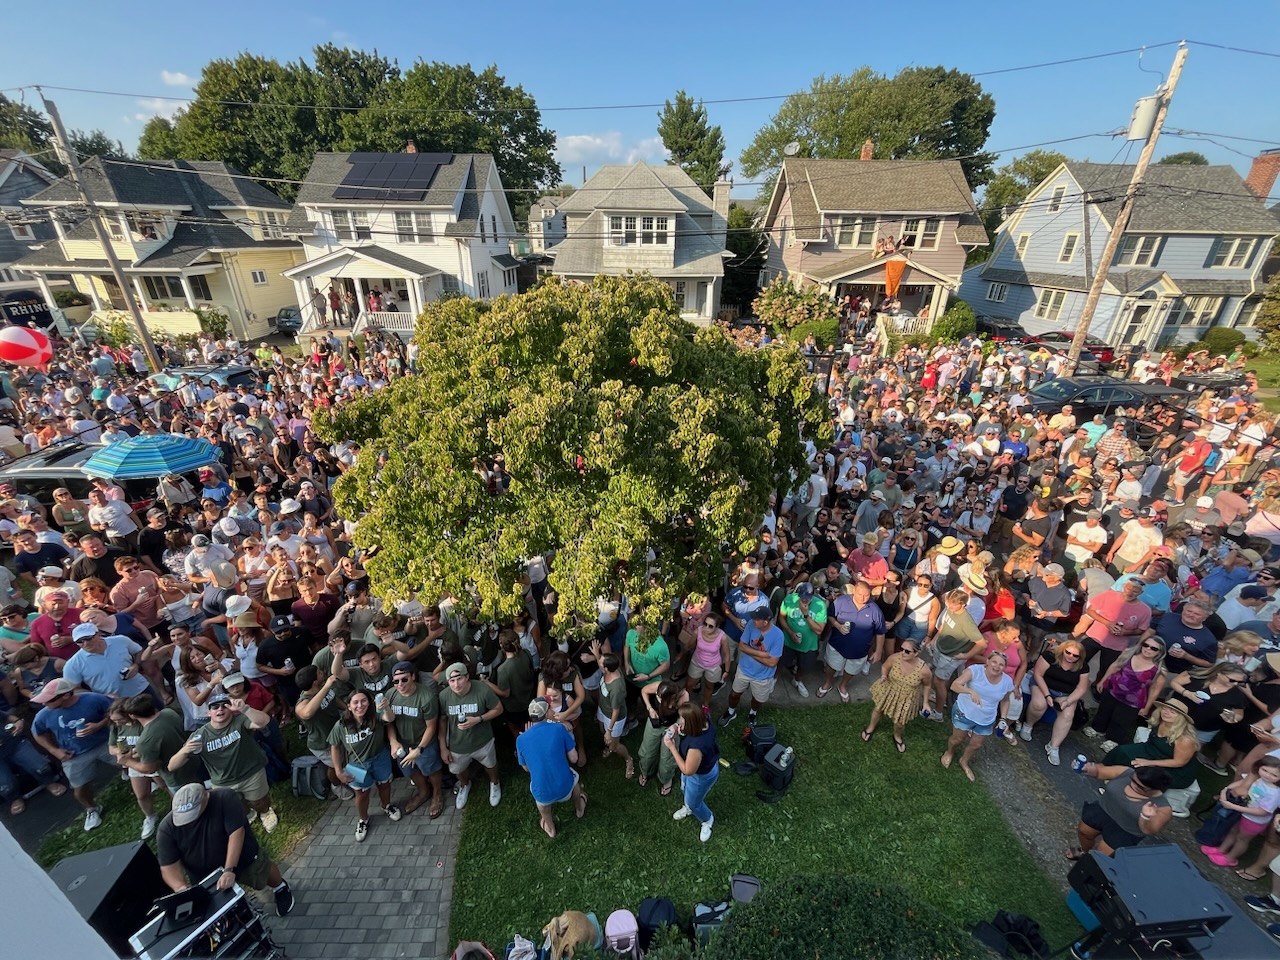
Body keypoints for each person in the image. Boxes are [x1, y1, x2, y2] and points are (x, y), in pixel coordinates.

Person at [157, 783, 294, 916]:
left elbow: (236, 833)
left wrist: (229, 869)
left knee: (261, 872)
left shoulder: (224, 797)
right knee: (217, 908)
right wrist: (181, 889)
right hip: (204, 875)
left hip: (241, 856)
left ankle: (280, 887)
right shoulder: (166, 828)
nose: (189, 820)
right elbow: (168, 866)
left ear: (206, 797)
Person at [169, 690, 279, 833]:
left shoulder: (240, 720)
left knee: (259, 801)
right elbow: (172, 766)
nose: (220, 709)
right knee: (236, 804)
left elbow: (264, 721)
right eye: (215, 707)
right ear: (209, 713)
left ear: (231, 709)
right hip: (223, 782)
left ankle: (265, 812)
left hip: (251, 773)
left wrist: (245, 708)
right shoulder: (200, 735)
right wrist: (185, 751)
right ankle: (248, 814)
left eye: (224, 706)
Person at [29, 679, 115, 831]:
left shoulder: (93, 699)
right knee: (79, 788)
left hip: (105, 742)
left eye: (49, 700)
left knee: (130, 762)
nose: (44, 703)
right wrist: (54, 750)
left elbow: (115, 711)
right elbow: (37, 733)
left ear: (66, 695)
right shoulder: (43, 715)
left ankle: (143, 780)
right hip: (74, 755)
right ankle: (92, 809)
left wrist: (99, 725)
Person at [329, 689, 401, 842]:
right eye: (355, 702)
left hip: (380, 757)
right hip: (357, 764)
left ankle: (387, 806)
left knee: (384, 785)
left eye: (363, 701)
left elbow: (389, 719)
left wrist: (386, 707)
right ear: (349, 706)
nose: (360, 705)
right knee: (361, 794)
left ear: (369, 703)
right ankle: (363, 819)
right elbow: (335, 747)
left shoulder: (376, 716)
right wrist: (338, 771)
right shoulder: (341, 725)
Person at [1065, 765, 1174, 860]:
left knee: (1102, 855)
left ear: (1154, 789)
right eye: (1132, 779)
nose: (1132, 785)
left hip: (1125, 830)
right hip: (1103, 809)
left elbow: (1148, 830)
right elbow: (1098, 772)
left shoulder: (1163, 808)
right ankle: (1084, 851)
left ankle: (1089, 865)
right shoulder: (1125, 772)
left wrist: (1145, 816)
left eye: (1139, 786)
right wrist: (1086, 769)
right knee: (1084, 832)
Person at [516, 696, 587, 838]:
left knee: (542, 804)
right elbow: (574, 758)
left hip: (543, 794)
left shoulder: (521, 739)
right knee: (574, 779)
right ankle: (579, 809)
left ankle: (550, 827)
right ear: (547, 712)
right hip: (565, 788)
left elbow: (526, 769)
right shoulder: (559, 729)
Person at [382, 661, 444, 818]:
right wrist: (393, 741)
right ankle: (423, 792)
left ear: (413, 677)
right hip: (402, 743)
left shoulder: (427, 697)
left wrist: (419, 749)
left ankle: (437, 794)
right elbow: (389, 722)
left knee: (431, 769)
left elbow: (431, 726)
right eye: (396, 681)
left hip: (424, 742)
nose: (400, 684)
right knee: (408, 769)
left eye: (404, 679)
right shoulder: (390, 695)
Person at [438, 661, 503, 809]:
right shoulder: (443, 696)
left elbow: (498, 709)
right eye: (452, 681)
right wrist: (443, 747)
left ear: (467, 677)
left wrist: (479, 719)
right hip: (457, 744)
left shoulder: (482, 689)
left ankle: (495, 783)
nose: (456, 684)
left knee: (491, 764)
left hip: (482, 740)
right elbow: (442, 720)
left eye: (459, 678)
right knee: (458, 769)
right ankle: (464, 785)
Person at [941, 651, 1014, 782]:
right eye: (994, 662)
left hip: (986, 719)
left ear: (1005, 667)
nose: (997, 666)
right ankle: (950, 752)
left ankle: (964, 761)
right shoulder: (975, 670)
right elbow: (954, 685)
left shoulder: (1007, 682)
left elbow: (1005, 700)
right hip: (965, 712)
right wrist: (970, 691)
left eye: (1001, 665)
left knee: (976, 744)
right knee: (957, 739)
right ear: (987, 661)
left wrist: (1003, 718)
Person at [1086, 638, 1167, 751]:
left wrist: (1147, 707)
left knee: (1121, 720)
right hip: (1113, 689)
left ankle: (1113, 739)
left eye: (1153, 648)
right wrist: (1103, 680)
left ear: (1160, 652)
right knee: (1104, 710)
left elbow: (1155, 690)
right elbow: (1115, 666)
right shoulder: (1128, 653)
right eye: (1146, 645)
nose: (1148, 649)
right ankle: (1097, 729)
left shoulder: (1159, 670)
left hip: (1134, 700)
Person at [1018, 638, 1091, 766]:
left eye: (1075, 655)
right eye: (1068, 652)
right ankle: (1028, 725)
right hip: (1043, 685)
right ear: (1063, 650)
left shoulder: (1083, 667)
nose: (1070, 656)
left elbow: (1081, 688)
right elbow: (1038, 674)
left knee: (1068, 715)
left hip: (1065, 694)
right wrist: (1047, 695)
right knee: (1039, 704)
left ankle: (1053, 746)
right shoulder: (1050, 656)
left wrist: (1068, 701)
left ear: (1080, 657)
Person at [1202, 757, 1280, 868]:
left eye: (1274, 775)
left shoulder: (1275, 793)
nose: (1267, 775)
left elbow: (1263, 812)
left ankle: (1230, 858)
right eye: (1265, 770)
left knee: (1242, 839)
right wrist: (1226, 789)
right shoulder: (1259, 779)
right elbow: (1242, 782)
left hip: (1255, 821)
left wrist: (1234, 807)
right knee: (1233, 831)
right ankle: (1221, 850)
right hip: (1243, 814)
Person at [863, 640, 933, 752]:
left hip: (907, 697)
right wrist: (884, 676)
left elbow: (927, 685)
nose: (902, 653)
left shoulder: (924, 670)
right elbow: (885, 667)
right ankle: (870, 727)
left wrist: (925, 703)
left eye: (907, 651)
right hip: (890, 690)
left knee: (900, 721)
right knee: (878, 709)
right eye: (901, 649)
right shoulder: (894, 658)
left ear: (916, 653)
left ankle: (897, 736)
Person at [821, 580, 885, 701]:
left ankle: (843, 686)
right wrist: (838, 626)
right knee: (831, 666)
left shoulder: (875, 610)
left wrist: (878, 651)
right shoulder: (841, 601)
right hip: (837, 645)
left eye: (866, 595)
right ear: (854, 591)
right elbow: (830, 616)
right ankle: (828, 683)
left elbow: (880, 632)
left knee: (852, 670)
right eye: (860, 594)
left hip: (859, 651)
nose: (863, 598)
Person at [720, 606, 783, 727]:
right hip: (744, 669)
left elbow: (772, 663)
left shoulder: (778, 635)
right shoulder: (751, 624)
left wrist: (750, 652)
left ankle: (753, 713)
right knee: (734, 694)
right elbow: (741, 646)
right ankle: (731, 711)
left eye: (756, 619)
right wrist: (764, 654)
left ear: (765, 622)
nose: (753, 620)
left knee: (758, 699)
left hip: (763, 676)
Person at [666, 702, 720, 843]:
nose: (679, 723)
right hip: (702, 766)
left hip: (701, 776)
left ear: (690, 724)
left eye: (681, 722)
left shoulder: (696, 747)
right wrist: (678, 728)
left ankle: (707, 819)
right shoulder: (705, 721)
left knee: (694, 802)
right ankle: (688, 807)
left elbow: (687, 770)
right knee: (684, 788)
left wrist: (672, 747)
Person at [0, 700, 65, 815]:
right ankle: (14, 798)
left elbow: (7, 716)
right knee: (6, 787)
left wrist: (17, 722)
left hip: (14, 743)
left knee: (42, 768)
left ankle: (49, 782)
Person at [637, 678, 685, 794]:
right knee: (648, 751)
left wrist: (676, 726)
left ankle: (666, 779)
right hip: (655, 723)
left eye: (661, 697)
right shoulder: (660, 686)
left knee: (667, 758)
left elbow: (683, 717)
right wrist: (650, 708)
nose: (658, 698)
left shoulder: (682, 696)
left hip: (671, 726)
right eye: (658, 696)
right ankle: (645, 771)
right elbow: (644, 691)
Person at [778, 583, 826, 698]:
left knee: (805, 667)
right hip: (788, 641)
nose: (804, 600)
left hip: (808, 645)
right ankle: (773, 679)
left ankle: (797, 680)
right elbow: (781, 617)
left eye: (807, 597)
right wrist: (790, 632)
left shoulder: (820, 605)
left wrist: (806, 615)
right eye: (802, 597)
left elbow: (819, 630)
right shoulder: (789, 599)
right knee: (780, 663)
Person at [594, 650, 634, 778]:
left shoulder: (616, 689)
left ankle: (628, 759)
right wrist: (596, 654)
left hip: (613, 718)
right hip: (603, 709)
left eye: (600, 662)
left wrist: (609, 730)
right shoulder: (610, 670)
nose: (598, 662)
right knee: (602, 729)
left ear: (606, 668)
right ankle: (609, 744)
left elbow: (616, 711)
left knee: (614, 745)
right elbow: (601, 664)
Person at [685, 612, 730, 713]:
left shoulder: (722, 637)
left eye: (710, 626)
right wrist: (681, 655)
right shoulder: (698, 631)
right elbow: (689, 645)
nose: (706, 627)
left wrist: (726, 670)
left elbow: (726, 654)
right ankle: (685, 703)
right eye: (705, 624)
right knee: (689, 684)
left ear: (717, 627)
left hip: (713, 666)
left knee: (709, 686)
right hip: (697, 662)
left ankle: (705, 706)